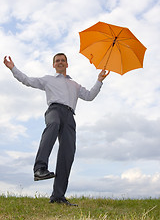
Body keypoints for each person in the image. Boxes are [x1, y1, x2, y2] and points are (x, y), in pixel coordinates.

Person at [3, 54, 110, 206]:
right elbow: (27, 80)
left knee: (68, 153)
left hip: (70, 116)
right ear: (54, 65)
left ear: (67, 64)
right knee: (52, 125)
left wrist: (99, 80)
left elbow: (89, 96)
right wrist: (13, 68)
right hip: (54, 110)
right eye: (57, 61)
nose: (60, 62)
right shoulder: (48, 80)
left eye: (63, 60)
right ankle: (40, 168)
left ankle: (58, 197)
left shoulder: (75, 85)